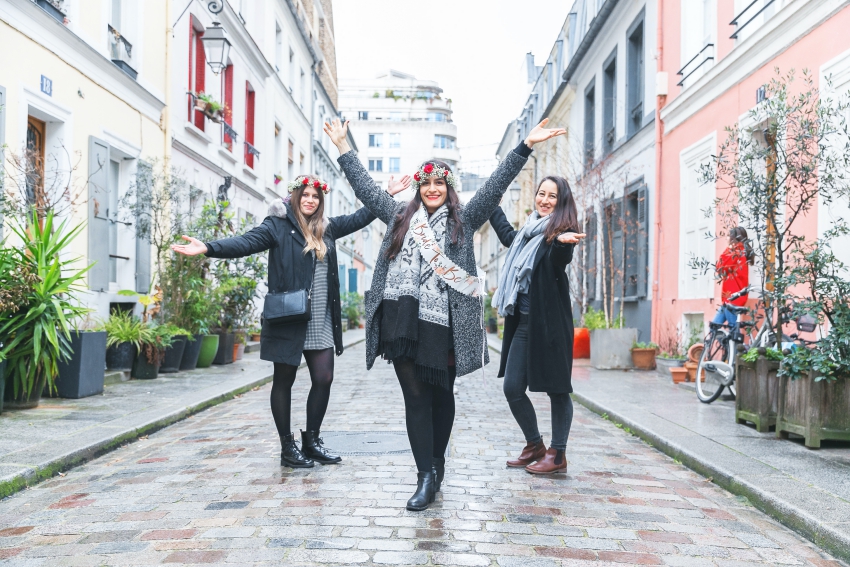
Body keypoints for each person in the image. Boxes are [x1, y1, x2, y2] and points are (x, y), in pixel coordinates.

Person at [324, 117, 566, 510]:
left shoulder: (464, 219)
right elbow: (366, 190)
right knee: (415, 398)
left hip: (445, 326)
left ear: (448, 188)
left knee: (441, 396)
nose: (432, 189)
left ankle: (437, 465)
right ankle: (424, 476)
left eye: (440, 183)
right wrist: (342, 147)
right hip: (401, 322)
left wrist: (525, 146)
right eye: (426, 183)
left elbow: (495, 186)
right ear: (419, 188)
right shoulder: (400, 216)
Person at [171, 174, 408, 468]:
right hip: (288, 319)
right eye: (305, 195)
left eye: (315, 197)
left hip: (320, 319)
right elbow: (246, 242)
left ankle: (312, 441)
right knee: (284, 381)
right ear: (295, 197)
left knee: (324, 378)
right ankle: (287, 447)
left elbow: (361, 216)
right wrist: (208, 247)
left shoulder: (327, 228)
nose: (310, 200)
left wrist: (386, 192)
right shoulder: (277, 226)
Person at [489, 176, 585, 474]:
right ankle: (535, 445)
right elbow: (507, 234)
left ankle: (558, 454)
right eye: (541, 194)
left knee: (558, 389)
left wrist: (563, 243)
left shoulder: (560, 233)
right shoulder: (527, 233)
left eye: (552, 196)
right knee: (513, 387)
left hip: (551, 324)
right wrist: (491, 204)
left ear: (562, 202)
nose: (544, 200)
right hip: (524, 324)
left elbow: (559, 257)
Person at [713, 226, 754, 327]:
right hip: (731, 298)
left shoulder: (736, 253)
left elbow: (720, 267)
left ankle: (735, 343)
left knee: (732, 329)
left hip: (732, 299)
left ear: (733, 238)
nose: (727, 238)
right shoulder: (741, 251)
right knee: (715, 326)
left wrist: (728, 248)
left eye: (728, 236)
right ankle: (727, 343)